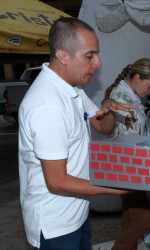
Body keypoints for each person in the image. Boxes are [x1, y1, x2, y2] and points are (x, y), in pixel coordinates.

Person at [18, 17, 136, 249]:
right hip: (56, 223)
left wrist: (109, 106)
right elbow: (57, 182)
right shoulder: (48, 106)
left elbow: (103, 127)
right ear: (63, 56)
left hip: (77, 212)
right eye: (89, 56)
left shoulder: (72, 90)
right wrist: (115, 188)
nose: (98, 63)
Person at [104, 58, 150, 249]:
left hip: (128, 166)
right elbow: (130, 141)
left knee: (130, 216)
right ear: (137, 78)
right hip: (128, 168)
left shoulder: (130, 96)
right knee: (144, 221)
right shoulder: (122, 98)